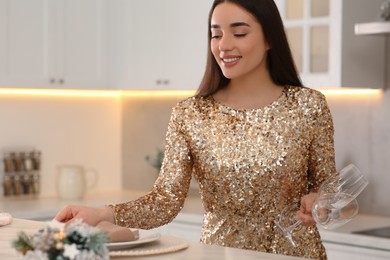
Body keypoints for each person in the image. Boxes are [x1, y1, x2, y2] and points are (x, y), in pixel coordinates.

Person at [55, 0, 336, 259]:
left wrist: (321, 203)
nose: (223, 45)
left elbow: (331, 191)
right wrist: (102, 214)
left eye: (239, 34)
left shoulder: (308, 106)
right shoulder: (190, 114)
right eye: (216, 34)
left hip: (296, 254)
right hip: (220, 254)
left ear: (270, 39)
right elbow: (164, 201)